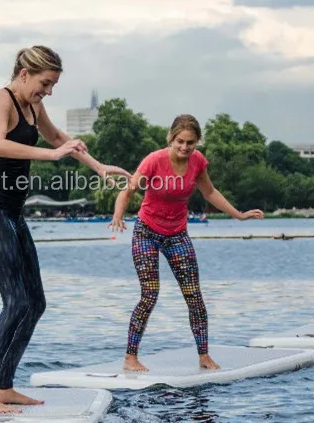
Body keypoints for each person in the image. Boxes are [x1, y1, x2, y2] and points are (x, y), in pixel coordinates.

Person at [0, 45, 132, 415]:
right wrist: (52, 156)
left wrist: (98, 166)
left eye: (53, 85)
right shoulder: (1, 100)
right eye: (45, 83)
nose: (49, 91)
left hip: (12, 214)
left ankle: (3, 385)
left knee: (35, 302)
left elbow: (60, 138)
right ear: (24, 73)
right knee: (16, 302)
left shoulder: (32, 105)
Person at [109, 114, 264, 372]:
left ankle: (203, 355)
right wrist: (117, 216)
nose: (184, 147)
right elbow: (128, 190)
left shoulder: (197, 162)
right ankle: (130, 357)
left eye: (190, 143)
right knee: (149, 294)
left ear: (197, 142)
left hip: (177, 234)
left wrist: (238, 214)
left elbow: (210, 192)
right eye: (180, 141)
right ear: (171, 138)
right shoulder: (154, 160)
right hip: (146, 232)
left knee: (194, 297)